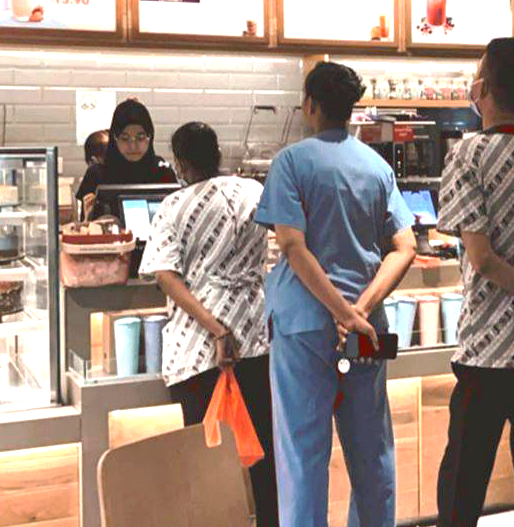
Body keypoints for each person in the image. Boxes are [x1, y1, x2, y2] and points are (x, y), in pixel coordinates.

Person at [254, 61, 417, 527]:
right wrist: (358, 310)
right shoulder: (376, 166)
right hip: (365, 332)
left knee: (303, 456)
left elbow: (291, 244)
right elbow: (404, 247)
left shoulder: (291, 162)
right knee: (371, 451)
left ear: (310, 106)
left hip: (305, 328)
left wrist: (339, 311)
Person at [138, 121, 279, 527]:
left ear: (180, 163)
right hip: (255, 335)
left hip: (197, 346)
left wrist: (216, 328)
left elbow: (165, 274)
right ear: (218, 153)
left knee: (203, 457)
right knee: (265, 452)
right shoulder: (253, 191)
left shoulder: (173, 205)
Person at [436, 38, 514, 527]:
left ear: (481, 87)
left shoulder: (467, 154)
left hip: (484, 350)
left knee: (463, 481)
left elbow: (480, 259)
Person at [77, 98, 176, 220]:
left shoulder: (162, 170)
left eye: (140, 138)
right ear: (114, 138)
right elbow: (84, 228)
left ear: (150, 137)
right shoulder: (96, 174)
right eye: (125, 138)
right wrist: (88, 218)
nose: (133, 146)